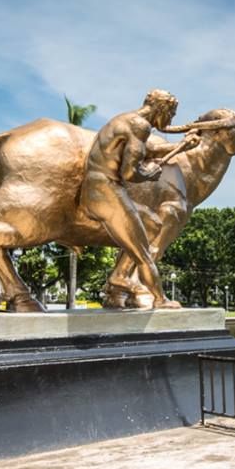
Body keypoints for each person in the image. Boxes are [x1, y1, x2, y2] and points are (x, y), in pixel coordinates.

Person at [79, 89, 186, 309]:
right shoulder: (141, 126)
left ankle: (120, 274)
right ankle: (160, 299)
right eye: (171, 115)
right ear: (162, 108)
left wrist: (182, 145)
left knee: (152, 223)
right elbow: (130, 173)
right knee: (143, 252)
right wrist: (150, 173)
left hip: (96, 188)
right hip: (107, 190)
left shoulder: (124, 119)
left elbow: (146, 150)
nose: (169, 121)